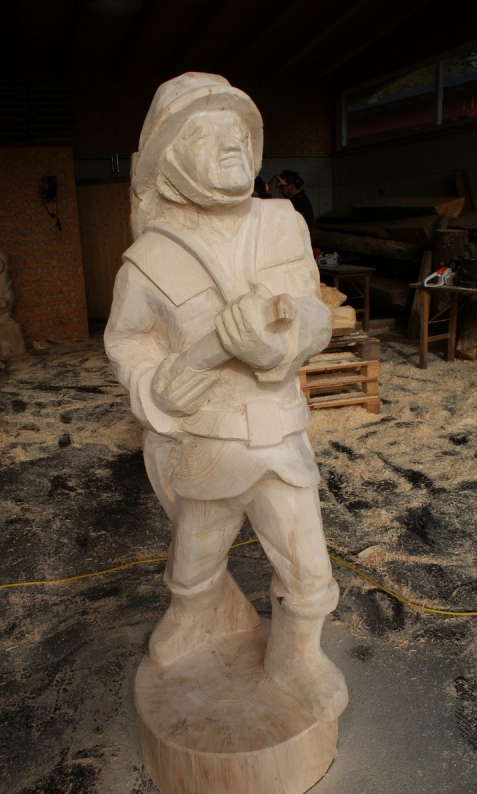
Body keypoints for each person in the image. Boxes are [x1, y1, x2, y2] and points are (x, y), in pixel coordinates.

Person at [104, 72, 347, 721]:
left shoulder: (280, 223)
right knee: (196, 551)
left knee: (306, 560)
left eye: (239, 130)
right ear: (169, 160)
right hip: (208, 437)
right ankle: (196, 614)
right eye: (207, 133)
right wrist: (157, 382)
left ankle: (298, 654)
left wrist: (282, 344)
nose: (232, 142)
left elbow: (313, 310)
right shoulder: (149, 258)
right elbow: (128, 341)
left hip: (278, 431)